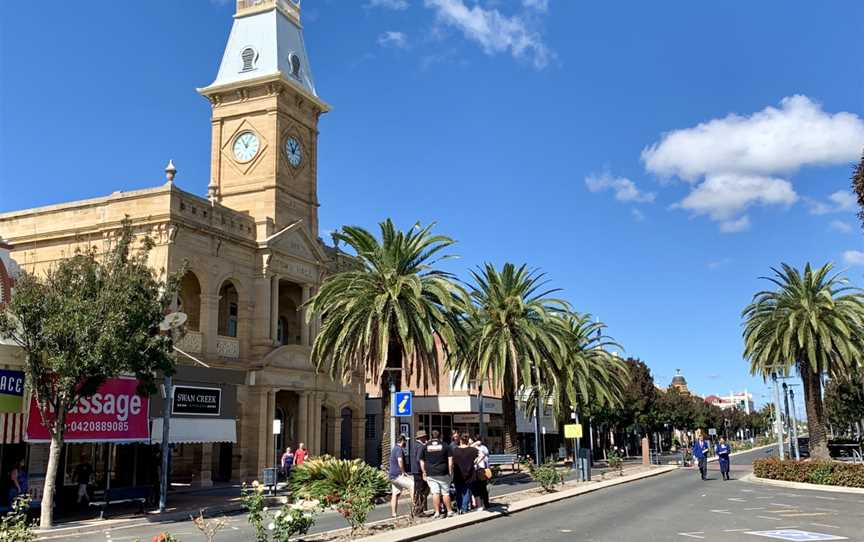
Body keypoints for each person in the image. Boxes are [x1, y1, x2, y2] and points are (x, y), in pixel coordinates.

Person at [419, 430, 453, 519]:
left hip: (430, 472)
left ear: (431, 436)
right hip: (443, 472)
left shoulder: (425, 446)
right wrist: (450, 471)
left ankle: (437, 512)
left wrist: (424, 472)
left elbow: (421, 460)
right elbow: (450, 460)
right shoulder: (445, 446)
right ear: (440, 436)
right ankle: (449, 511)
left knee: (435, 493)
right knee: (445, 492)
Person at [388, 435, 414, 518]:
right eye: (405, 441)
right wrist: (403, 472)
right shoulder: (399, 449)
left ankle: (394, 513)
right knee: (412, 485)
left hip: (392, 476)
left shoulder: (394, 449)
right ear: (402, 441)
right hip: (398, 475)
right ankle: (415, 508)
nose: (406, 443)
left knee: (395, 493)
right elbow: (400, 460)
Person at [452, 434, 478, 514]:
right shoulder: (473, 450)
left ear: (460, 440)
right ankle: (464, 508)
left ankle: (459, 508)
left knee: (459, 492)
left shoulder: (455, 450)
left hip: (458, 473)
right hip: (470, 473)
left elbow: (451, 461)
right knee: (467, 492)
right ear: (467, 441)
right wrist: (475, 462)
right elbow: (481, 455)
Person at [411, 430, 430, 517]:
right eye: (425, 436)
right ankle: (419, 510)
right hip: (419, 471)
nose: (426, 438)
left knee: (418, 490)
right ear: (421, 437)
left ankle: (418, 509)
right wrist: (424, 471)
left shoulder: (415, 445)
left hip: (415, 471)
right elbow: (419, 459)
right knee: (421, 490)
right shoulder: (421, 446)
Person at [472, 434, 491, 510]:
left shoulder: (474, 448)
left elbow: (485, 458)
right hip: (482, 469)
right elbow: (487, 459)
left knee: (478, 488)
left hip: (478, 469)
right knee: (483, 487)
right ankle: (485, 504)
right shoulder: (484, 448)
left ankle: (480, 505)